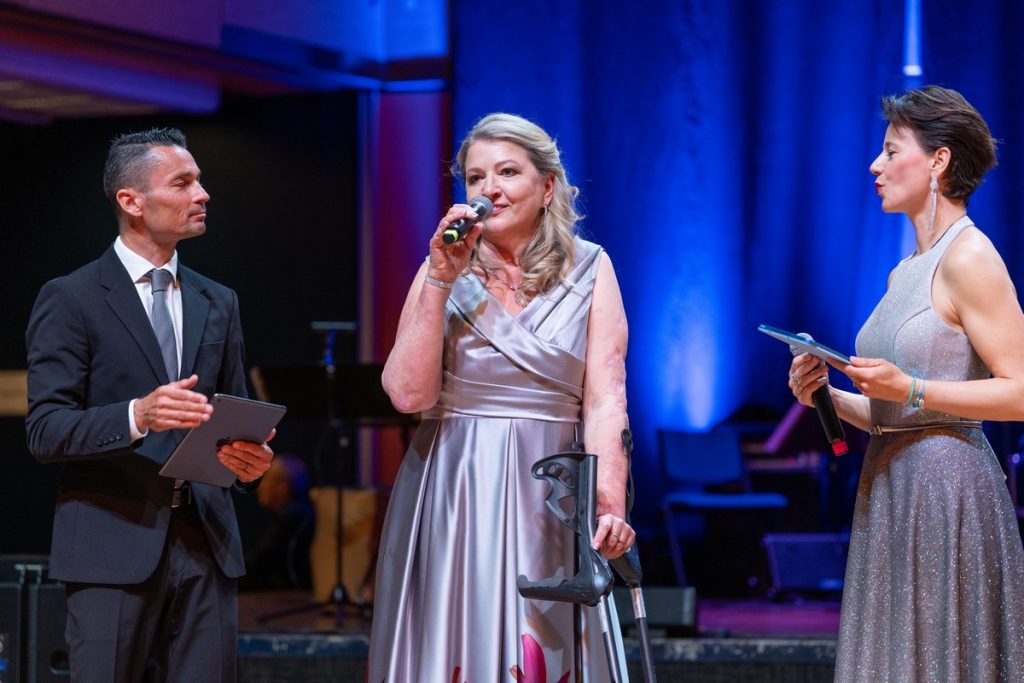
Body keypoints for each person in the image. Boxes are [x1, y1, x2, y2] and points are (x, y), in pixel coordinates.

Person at [367, 113, 634, 681]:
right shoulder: (442, 269)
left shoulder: (592, 267)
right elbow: (408, 395)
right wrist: (439, 278)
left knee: (543, 639)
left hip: (553, 493)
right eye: (475, 177)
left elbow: (606, 399)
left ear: (548, 187)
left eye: (507, 172)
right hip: (455, 483)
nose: (489, 189)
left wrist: (609, 504)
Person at [787, 86, 1024, 681]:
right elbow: (893, 411)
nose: (876, 164)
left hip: (948, 491)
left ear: (939, 161)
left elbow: (1020, 391)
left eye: (892, 151)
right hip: (891, 485)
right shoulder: (905, 271)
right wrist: (826, 395)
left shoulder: (969, 257)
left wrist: (911, 388)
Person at [25, 127, 274, 681]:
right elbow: (45, 429)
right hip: (111, 546)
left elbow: (233, 413)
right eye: (182, 183)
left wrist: (248, 463)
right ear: (131, 202)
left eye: (199, 181)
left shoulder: (219, 299)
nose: (202, 193)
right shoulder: (71, 298)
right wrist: (138, 415)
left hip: (207, 544)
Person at [241, 454, 314, 590]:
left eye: (266, 479)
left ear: (282, 487)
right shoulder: (297, 515)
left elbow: (263, 561)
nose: (259, 487)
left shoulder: (294, 519)